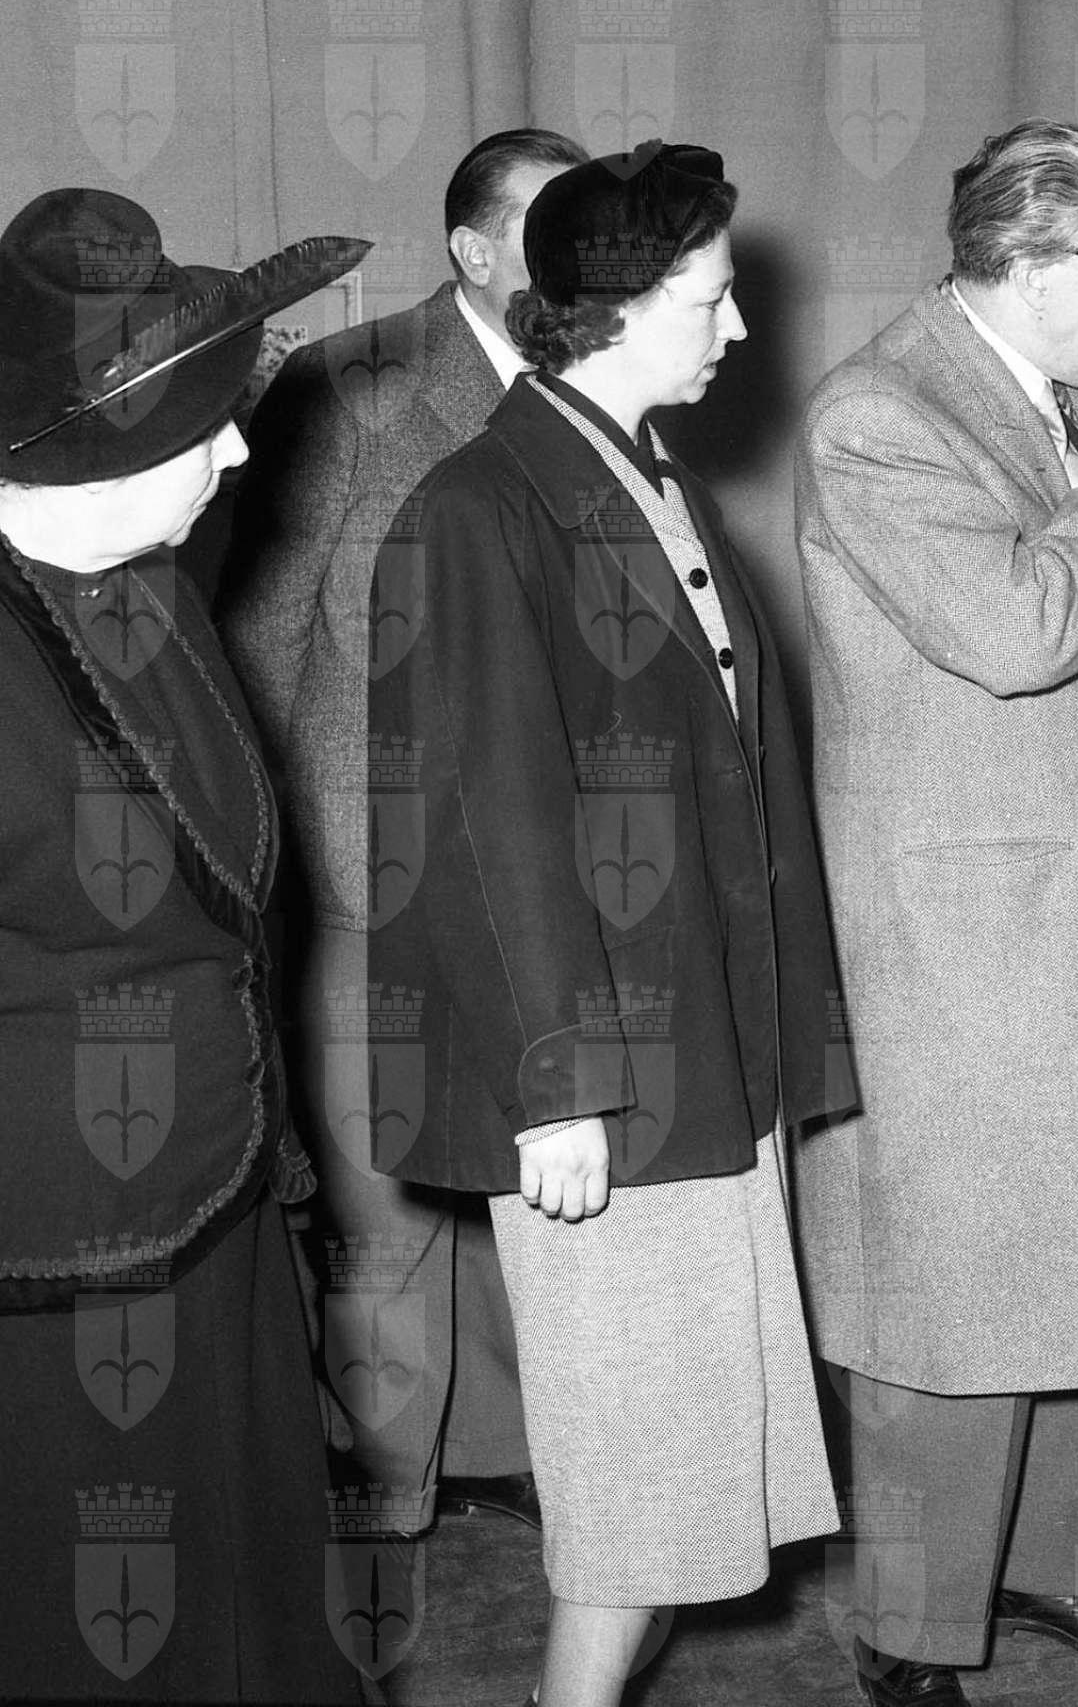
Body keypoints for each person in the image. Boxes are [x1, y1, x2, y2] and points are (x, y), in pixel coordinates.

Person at [368, 140, 855, 1707]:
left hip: (701, 1060)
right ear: (617, 308)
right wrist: (557, 1086)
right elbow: (485, 822)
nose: (738, 329)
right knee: (636, 1492)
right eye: (711, 299)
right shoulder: (476, 507)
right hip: (607, 1085)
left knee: (683, 1477)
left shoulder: (647, 478)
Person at [791, 119, 1078, 1707]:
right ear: (1034, 265)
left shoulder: (1043, 390)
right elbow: (1020, 627)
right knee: (958, 1300)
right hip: (969, 945)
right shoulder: (880, 414)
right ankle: (910, 1632)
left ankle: (1043, 1568)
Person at [0, 188, 365, 1699]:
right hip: (58, 1258)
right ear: (94, 448)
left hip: (217, 1197)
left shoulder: (153, 588)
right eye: (204, 427)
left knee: (251, 1590)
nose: (238, 454)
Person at [218, 127, 586, 1536]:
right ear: (473, 250)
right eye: (546, 229)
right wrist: (276, 859)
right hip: (361, 857)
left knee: (498, 1157)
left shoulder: (594, 382)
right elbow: (261, 630)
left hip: (523, 860)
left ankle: (488, 1441)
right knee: (381, 1193)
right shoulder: (351, 386)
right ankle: (385, 1478)